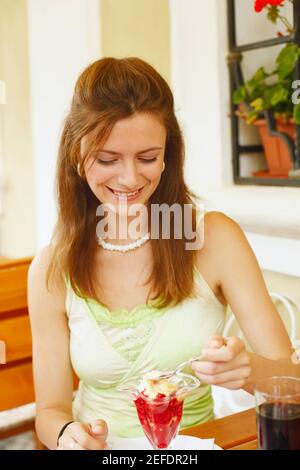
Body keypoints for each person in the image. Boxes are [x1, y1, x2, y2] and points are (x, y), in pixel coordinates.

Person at [28, 57, 298, 451]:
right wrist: (68, 435)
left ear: (169, 154)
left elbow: (291, 384)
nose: (130, 178)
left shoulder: (213, 239)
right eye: (107, 159)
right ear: (76, 155)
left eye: (147, 158)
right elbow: (50, 410)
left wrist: (248, 370)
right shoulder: (52, 269)